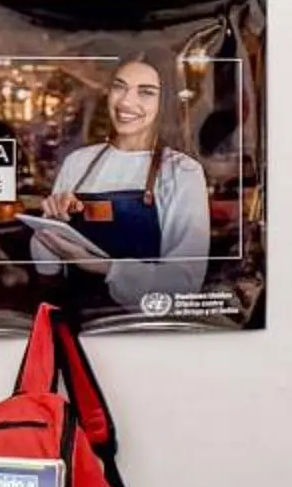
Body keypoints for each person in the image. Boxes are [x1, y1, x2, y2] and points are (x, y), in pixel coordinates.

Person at [26, 53, 210, 314]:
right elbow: (49, 269)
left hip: (141, 327)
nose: (126, 101)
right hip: (78, 323)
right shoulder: (78, 163)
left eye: (145, 92)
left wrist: (100, 265)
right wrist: (51, 228)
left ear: (165, 102)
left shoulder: (182, 172)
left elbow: (185, 283)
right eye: (119, 87)